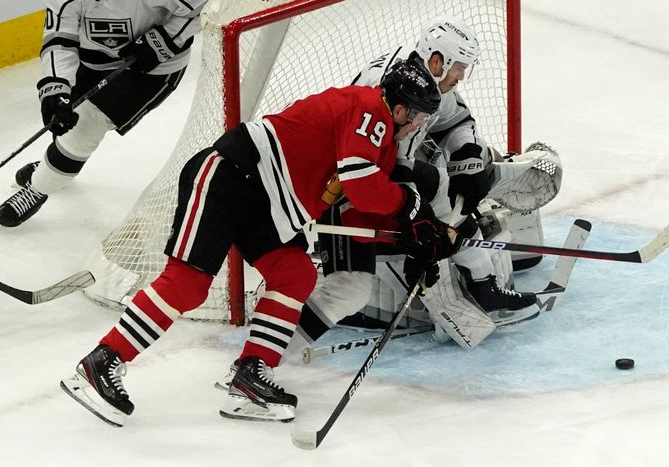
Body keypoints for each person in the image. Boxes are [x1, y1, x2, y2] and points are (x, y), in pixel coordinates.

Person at [60, 60, 450, 426]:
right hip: (230, 177)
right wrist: (409, 208)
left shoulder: (380, 141)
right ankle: (102, 361)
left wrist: (414, 232)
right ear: (399, 109)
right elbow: (364, 189)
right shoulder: (369, 108)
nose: (418, 125)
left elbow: (363, 202)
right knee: (187, 283)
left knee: (295, 274)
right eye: (417, 115)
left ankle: (249, 374)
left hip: (266, 202)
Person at [297, 16, 544, 346]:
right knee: (435, 192)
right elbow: (386, 170)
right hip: (345, 184)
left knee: (462, 173)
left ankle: (481, 280)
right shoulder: (392, 86)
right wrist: (421, 225)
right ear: (437, 60)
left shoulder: (425, 77)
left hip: (379, 171)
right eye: (459, 67)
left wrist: (467, 157)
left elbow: (456, 120)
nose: (461, 77)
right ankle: (478, 278)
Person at [0, 0, 206, 227]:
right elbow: (59, 35)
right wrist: (56, 86)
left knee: (85, 128)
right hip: (90, 59)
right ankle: (54, 168)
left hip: (149, 70)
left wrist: (167, 37)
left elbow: (200, 6)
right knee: (66, 117)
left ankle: (37, 189)